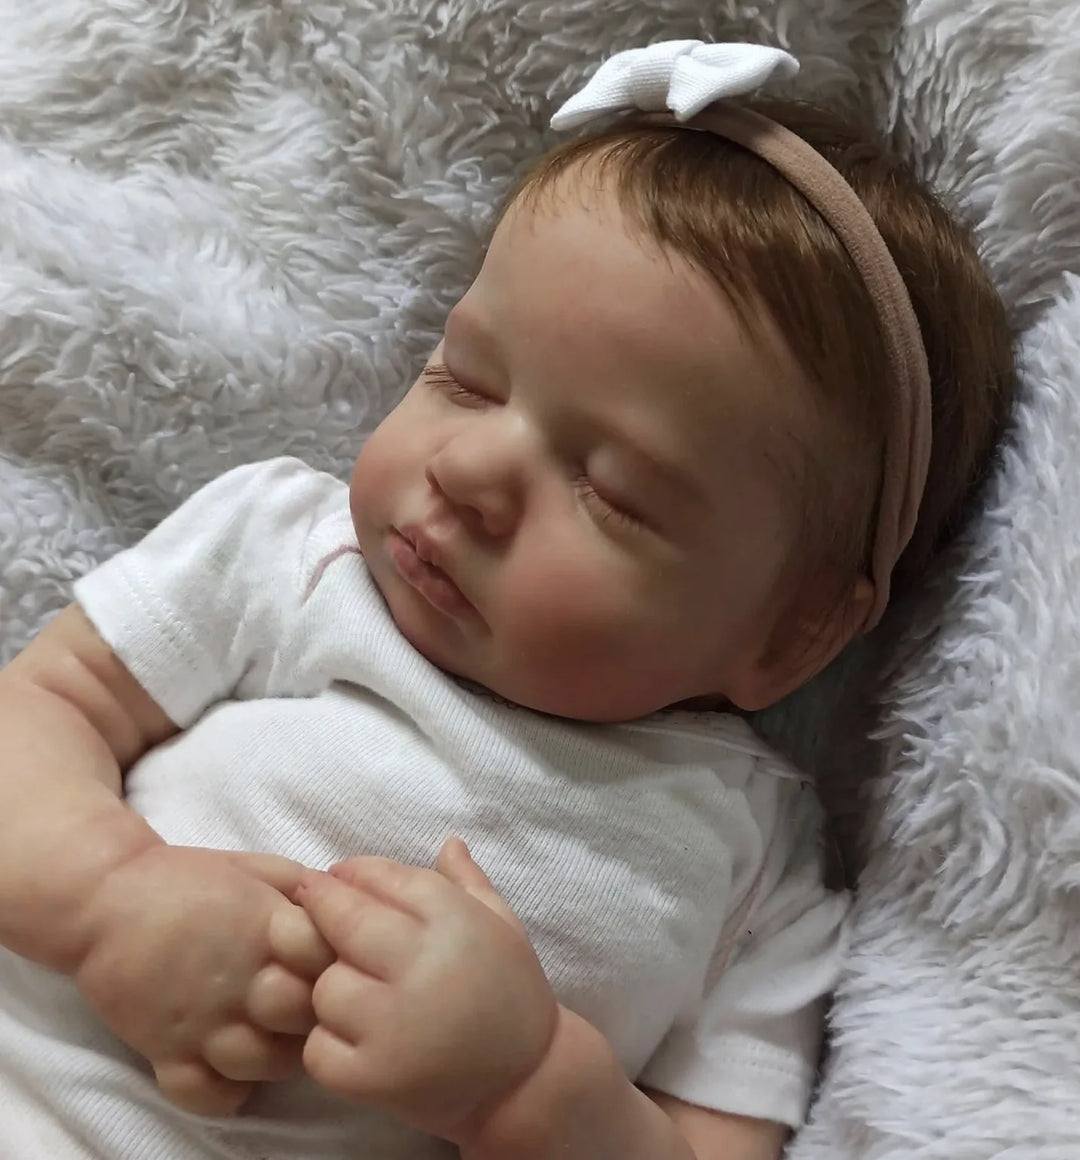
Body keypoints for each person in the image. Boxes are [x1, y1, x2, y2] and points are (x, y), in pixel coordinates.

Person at [0, 39, 1014, 1160]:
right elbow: (34, 714)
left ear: (794, 632)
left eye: (612, 492)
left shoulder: (756, 865)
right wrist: (110, 898)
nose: (470, 470)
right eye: (465, 378)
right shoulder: (291, 553)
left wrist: (523, 1086)